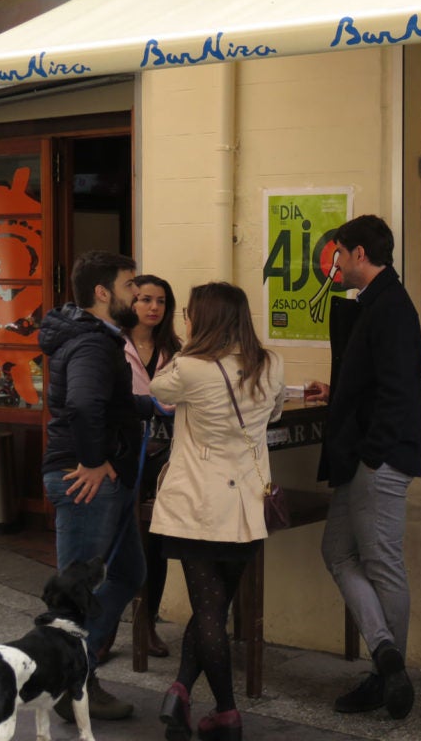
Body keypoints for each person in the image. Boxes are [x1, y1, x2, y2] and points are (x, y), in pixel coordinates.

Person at [304, 214, 421, 720]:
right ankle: (385, 653)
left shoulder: (391, 305)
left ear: (357, 254)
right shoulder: (375, 303)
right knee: (337, 550)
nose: (334, 263)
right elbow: (376, 378)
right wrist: (341, 395)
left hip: (378, 457)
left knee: (383, 563)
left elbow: (399, 389)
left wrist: (373, 453)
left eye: (338, 253)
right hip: (361, 454)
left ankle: (386, 677)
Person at [150, 282, 285, 741]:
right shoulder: (269, 363)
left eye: (189, 313)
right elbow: (277, 412)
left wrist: (186, 347)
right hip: (247, 505)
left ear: (200, 320)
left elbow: (157, 389)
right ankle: (183, 691)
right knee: (216, 605)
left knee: (207, 609)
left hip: (197, 503)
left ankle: (225, 710)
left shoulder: (187, 367)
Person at [39, 250, 148, 721]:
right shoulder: (91, 344)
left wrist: (157, 404)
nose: (137, 296)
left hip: (105, 476)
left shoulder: (97, 339)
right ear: (102, 294)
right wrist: (94, 461)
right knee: (74, 595)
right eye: (129, 287)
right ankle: (72, 682)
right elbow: (84, 406)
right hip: (87, 480)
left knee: (128, 574)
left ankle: (76, 668)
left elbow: (106, 403)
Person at [122, 274, 182, 660]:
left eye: (160, 301)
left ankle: (148, 625)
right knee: (118, 542)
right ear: (131, 303)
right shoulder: (113, 345)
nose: (153, 307)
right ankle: (107, 628)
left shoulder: (175, 349)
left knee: (155, 544)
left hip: (162, 457)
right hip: (122, 453)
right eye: (145, 299)